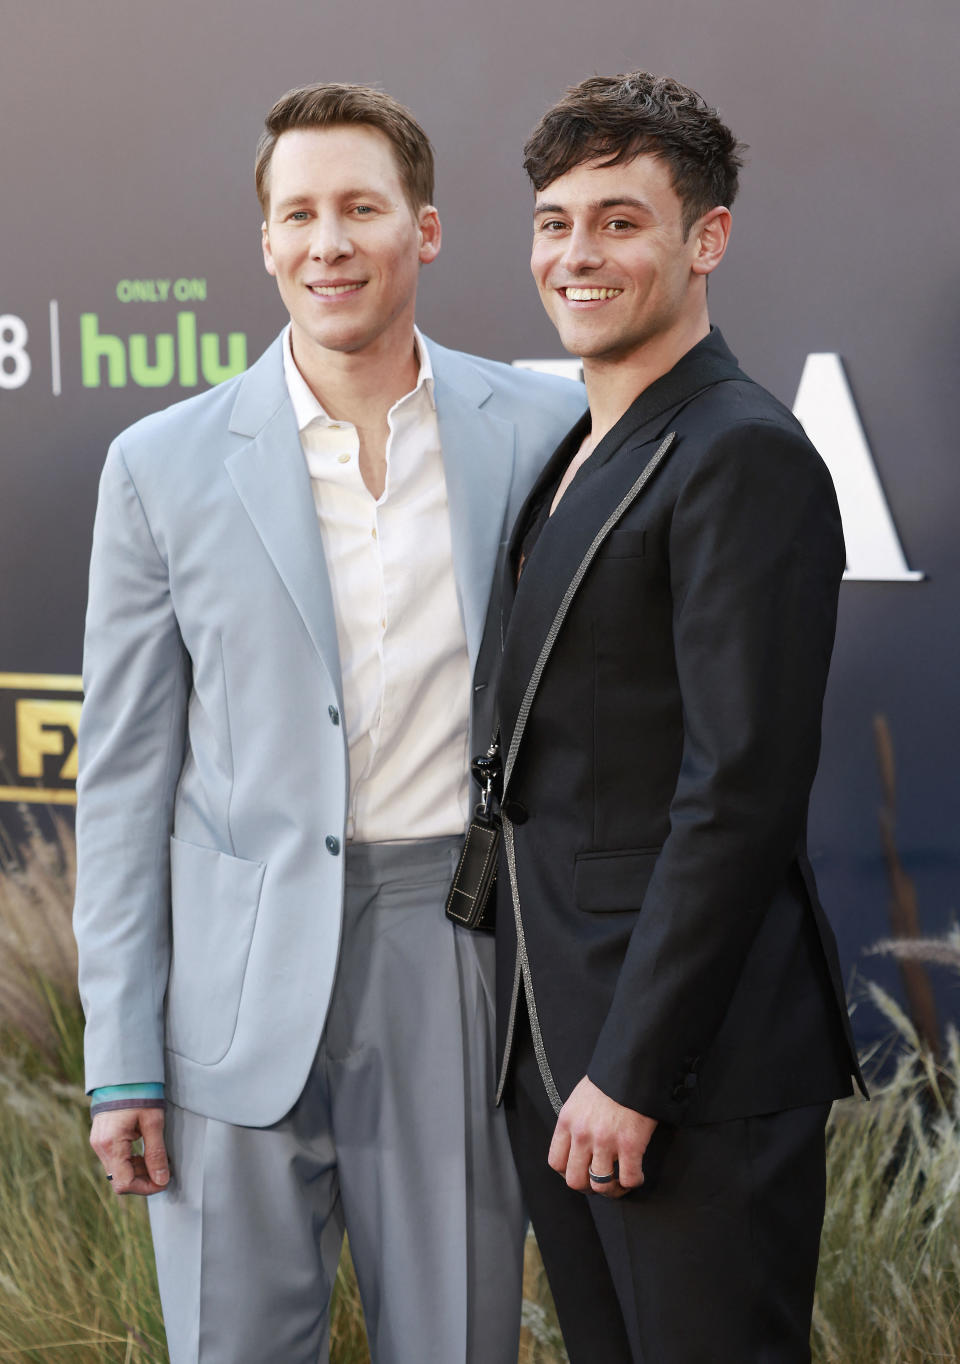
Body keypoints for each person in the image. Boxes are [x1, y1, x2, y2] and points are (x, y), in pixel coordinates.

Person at [73, 82, 585, 1364]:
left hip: (452, 953)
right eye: (298, 212)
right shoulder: (161, 463)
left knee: (458, 1341)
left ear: (424, 228)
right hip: (231, 984)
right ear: (263, 242)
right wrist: (122, 1056)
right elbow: (126, 783)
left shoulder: (540, 429)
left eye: (360, 207)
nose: (328, 242)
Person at [493, 71, 866, 1364]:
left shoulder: (741, 452)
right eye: (554, 220)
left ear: (706, 239)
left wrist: (632, 1071)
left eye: (618, 220)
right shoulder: (584, 445)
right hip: (560, 1048)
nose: (576, 253)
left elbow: (740, 792)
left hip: (680, 1077)